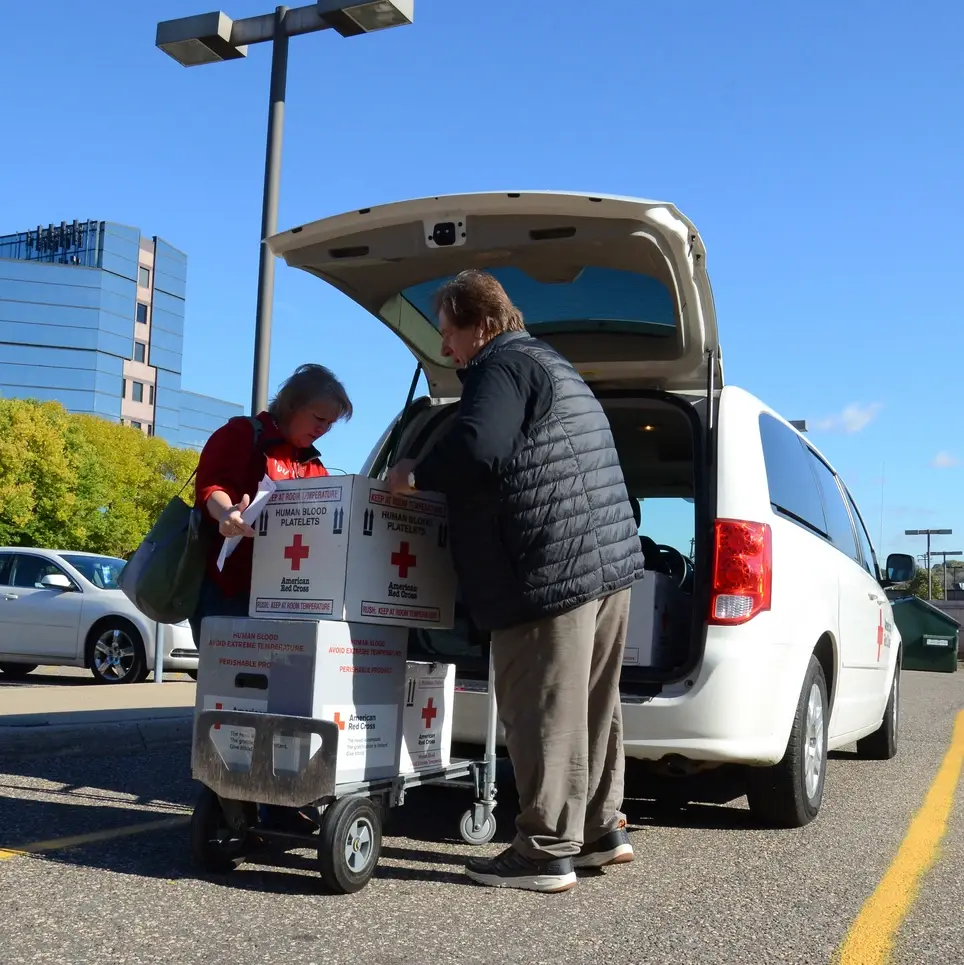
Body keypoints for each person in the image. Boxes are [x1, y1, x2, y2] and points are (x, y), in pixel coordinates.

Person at [386, 270, 645, 893]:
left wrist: (414, 477)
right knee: (591, 702)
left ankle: (545, 851)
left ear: (481, 324)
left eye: (449, 334)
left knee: (542, 707)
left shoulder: (500, 366)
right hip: (605, 560)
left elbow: (479, 448)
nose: (446, 349)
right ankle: (601, 830)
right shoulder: (552, 364)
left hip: (546, 565)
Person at [189, 363, 352, 646]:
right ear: (291, 405)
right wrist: (227, 514)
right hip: (229, 593)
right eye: (318, 418)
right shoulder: (241, 435)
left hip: (288, 601)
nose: (323, 428)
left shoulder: (314, 466)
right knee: (230, 685)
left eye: (330, 423)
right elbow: (212, 487)